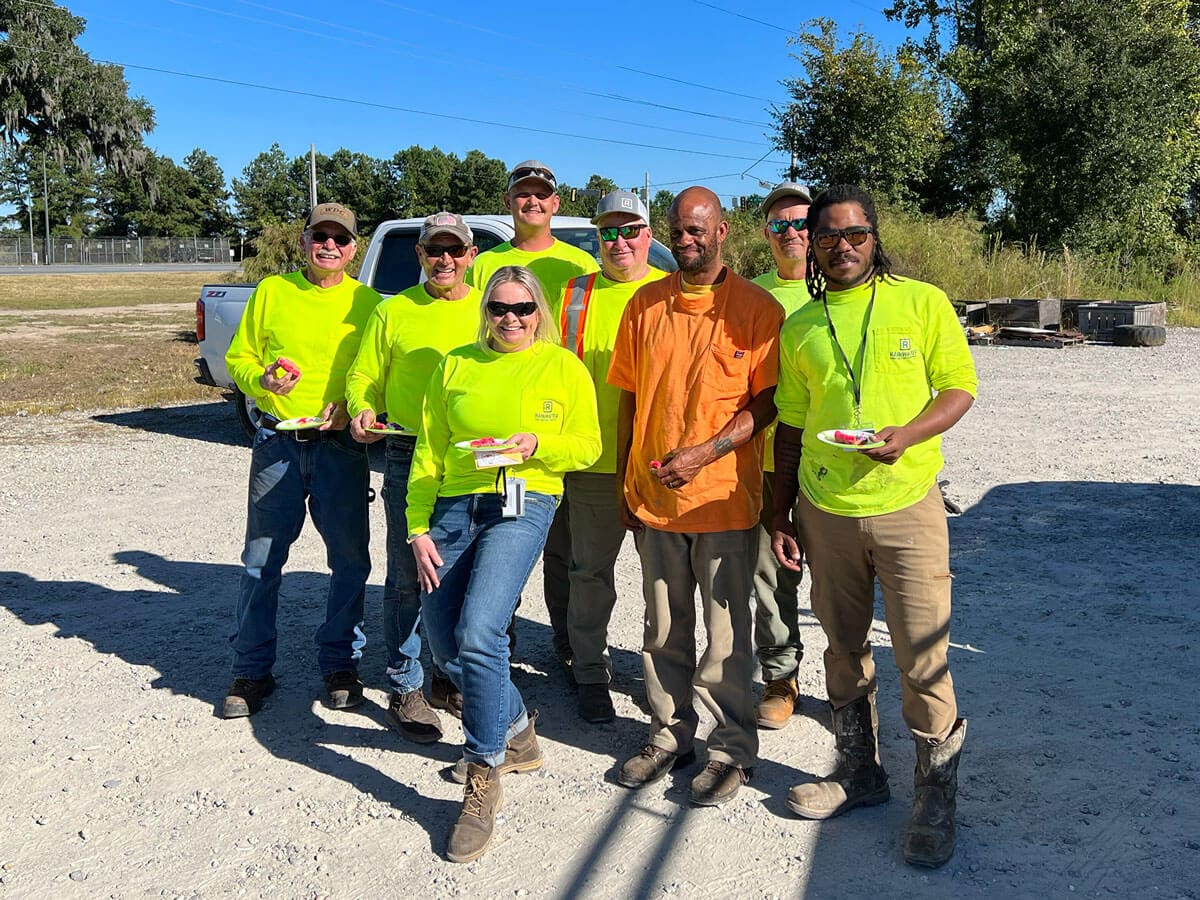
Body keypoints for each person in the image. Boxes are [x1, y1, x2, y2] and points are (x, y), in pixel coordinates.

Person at [771, 184, 977, 868]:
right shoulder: (801, 324)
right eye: (827, 236)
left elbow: (958, 388)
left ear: (874, 236)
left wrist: (909, 433)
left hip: (906, 502)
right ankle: (860, 773)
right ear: (814, 244)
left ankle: (935, 794)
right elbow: (793, 428)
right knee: (841, 644)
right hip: (825, 510)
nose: (842, 247)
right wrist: (780, 513)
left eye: (855, 234)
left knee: (922, 649)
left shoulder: (922, 302)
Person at [407, 265, 601, 863]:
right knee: (442, 643)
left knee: (479, 631)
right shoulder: (456, 364)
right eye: (498, 308)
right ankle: (516, 732)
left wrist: (537, 445)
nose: (510, 318)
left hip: (525, 500)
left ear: (538, 310)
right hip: (454, 505)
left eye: (522, 308)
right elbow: (428, 449)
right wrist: (416, 527)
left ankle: (482, 771)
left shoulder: (561, 366)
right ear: (485, 311)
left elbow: (589, 445)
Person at [608, 186, 783, 807]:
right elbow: (630, 397)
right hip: (655, 497)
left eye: (697, 228)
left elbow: (767, 403)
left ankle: (731, 748)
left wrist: (707, 453)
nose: (686, 238)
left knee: (727, 635)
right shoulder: (644, 305)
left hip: (724, 501)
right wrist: (629, 480)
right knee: (661, 627)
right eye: (678, 228)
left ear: (723, 231)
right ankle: (669, 732)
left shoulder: (758, 310)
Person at [222, 202, 381, 717]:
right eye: (320, 236)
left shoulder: (371, 303)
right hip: (278, 442)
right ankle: (250, 671)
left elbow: (376, 376)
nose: (329, 246)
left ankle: (340, 664)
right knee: (261, 561)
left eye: (340, 238)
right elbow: (238, 358)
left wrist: (358, 413)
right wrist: (261, 381)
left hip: (340, 449)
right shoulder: (273, 291)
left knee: (350, 561)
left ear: (354, 248)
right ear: (305, 241)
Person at [345, 212, 480, 742]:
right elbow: (364, 374)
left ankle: (450, 676)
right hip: (406, 449)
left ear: (471, 255)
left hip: (473, 458)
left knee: (464, 572)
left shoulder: (489, 309)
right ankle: (405, 682)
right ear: (420, 255)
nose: (445, 259)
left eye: (455, 250)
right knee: (408, 574)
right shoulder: (393, 310)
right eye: (434, 250)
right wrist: (360, 407)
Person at [469, 160, 599, 668]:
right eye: (522, 195)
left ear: (556, 203)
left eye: (541, 195)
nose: (532, 203)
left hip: (555, 423)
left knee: (564, 553)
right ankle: (501, 647)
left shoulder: (577, 265)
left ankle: (567, 650)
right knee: (500, 545)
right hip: (498, 433)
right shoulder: (483, 265)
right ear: (509, 202)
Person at [560, 190, 667, 724]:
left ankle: (663, 682)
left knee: (663, 581)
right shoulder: (572, 294)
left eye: (630, 230)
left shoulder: (672, 291)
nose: (619, 241)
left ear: (649, 235)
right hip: (593, 461)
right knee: (589, 574)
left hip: (658, 465)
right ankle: (588, 672)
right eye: (608, 232)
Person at [749, 181, 813, 729]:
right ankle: (780, 676)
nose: (791, 233)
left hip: (834, 461)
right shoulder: (754, 296)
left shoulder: (841, 289)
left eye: (800, 222)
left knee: (845, 579)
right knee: (771, 578)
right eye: (779, 225)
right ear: (766, 233)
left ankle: (850, 681)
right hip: (768, 462)